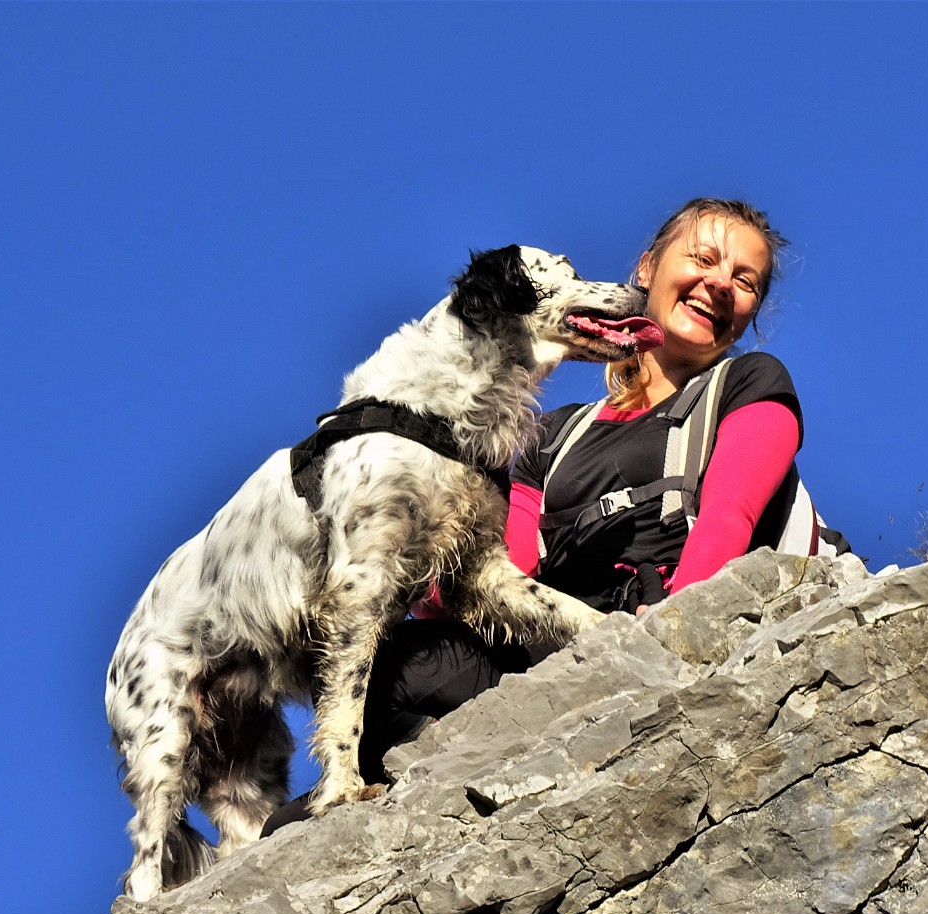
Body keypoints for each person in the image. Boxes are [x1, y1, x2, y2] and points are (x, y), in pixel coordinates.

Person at [263, 197, 803, 835]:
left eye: (745, 282)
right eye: (704, 259)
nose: (720, 284)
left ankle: (450, 779)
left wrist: (667, 643)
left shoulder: (749, 383)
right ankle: (421, 778)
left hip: (658, 632)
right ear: (647, 269)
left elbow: (728, 522)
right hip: (546, 653)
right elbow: (498, 571)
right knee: (391, 663)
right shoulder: (550, 434)